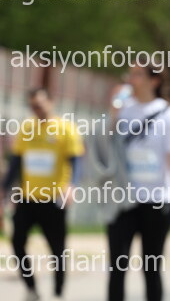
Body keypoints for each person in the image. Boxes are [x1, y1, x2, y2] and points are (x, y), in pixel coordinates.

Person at [107, 62, 170, 301]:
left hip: (158, 200)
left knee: (151, 266)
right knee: (117, 265)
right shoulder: (123, 111)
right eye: (130, 74)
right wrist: (114, 107)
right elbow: (106, 141)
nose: (131, 79)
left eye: (137, 74)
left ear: (154, 80)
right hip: (123, 200)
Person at [1, 88, 84, 301]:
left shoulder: (65, 129)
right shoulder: (26, 128)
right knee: (17, 241)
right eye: (32, 106)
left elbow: (76, 160)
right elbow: (16, 162)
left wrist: (71, 185)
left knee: (57, 249)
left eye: (39, 105)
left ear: (51, 102)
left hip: (53, 198)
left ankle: (58, 292)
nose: (36, 109)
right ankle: (31, 288)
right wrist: (4, 190)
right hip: (28, 198)